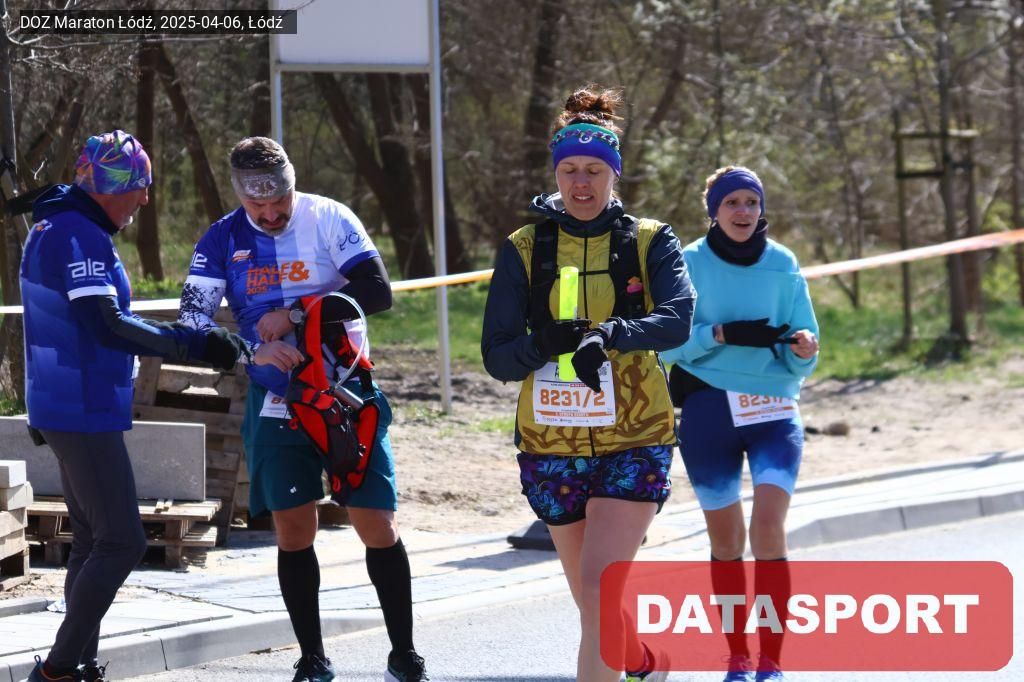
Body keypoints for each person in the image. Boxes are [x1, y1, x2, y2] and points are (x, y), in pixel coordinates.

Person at [20, 130, 296, 682]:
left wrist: (196, 340)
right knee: (122, 541)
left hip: (67, 402)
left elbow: (103, 319)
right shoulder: (78, 234)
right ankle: (56, 670)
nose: (146, 198)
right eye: (140, 186)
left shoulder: (61, 224)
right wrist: (197, 344)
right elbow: (107, 324)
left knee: (92, 540)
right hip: (80, 407)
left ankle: (78, 665)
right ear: (110, 188)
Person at [178, 137, 427, 682]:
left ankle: (404, 655)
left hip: (346, 392)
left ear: (293, 186)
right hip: (276, 400)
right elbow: (192, 321)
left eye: (280, 203)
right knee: (293, 530)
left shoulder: (329, 218)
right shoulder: (221, 237)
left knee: (376, 523)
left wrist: (295, 313)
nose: (270, 215)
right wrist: (251, 351)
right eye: (257, 206)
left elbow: (378, 290)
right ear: (240, 197)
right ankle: (313, 658)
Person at [481, 87, 694, 682]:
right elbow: (497, 357)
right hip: (552, 442)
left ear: (613, 175)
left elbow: (678, 320)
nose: (581, 182)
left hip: (635, 435)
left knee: (601, 587)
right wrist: (542, 344)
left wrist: (613, 334)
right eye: (570, 169)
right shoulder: (525, 248)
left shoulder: (649, 239)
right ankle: (645, 661)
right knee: (595, 604)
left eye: (594, 171)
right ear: (555, 174)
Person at [660, 166, 819, 682]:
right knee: (727, 542)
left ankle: (771, 660)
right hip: (709, 409)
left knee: (768, 530)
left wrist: (804, 349)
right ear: (714, 211)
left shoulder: (783, 263)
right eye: (732, 203)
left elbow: (806, 343)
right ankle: (737, 656)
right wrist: (720, 335)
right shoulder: (688, 262)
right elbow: (668, 346)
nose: (743, 211)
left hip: (773, 409)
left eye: (751, 202)